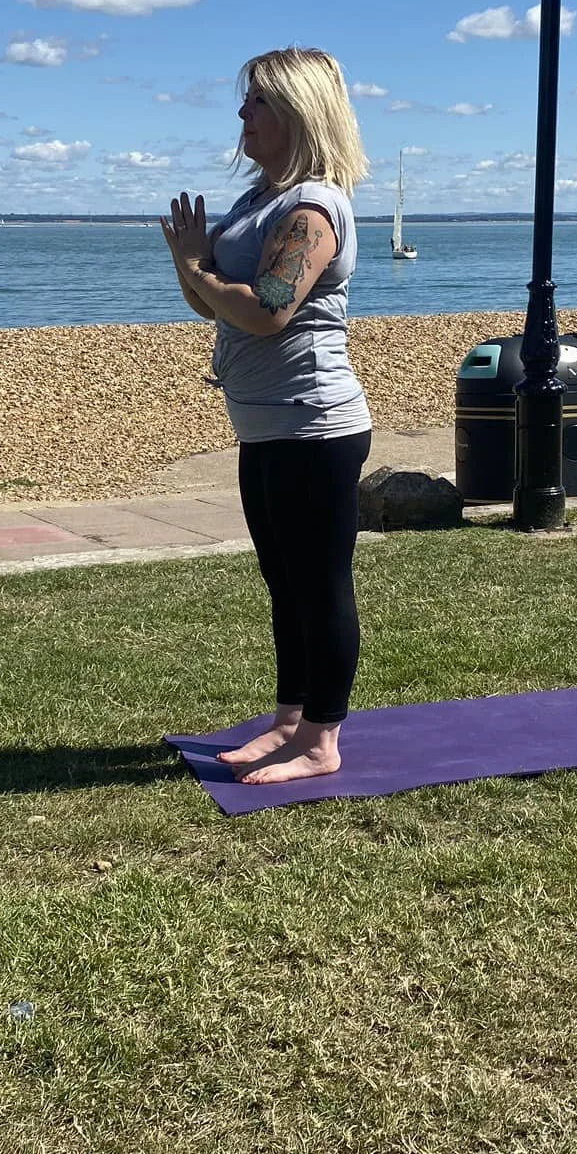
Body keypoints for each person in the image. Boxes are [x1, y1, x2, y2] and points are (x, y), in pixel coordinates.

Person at [160, 47, 373, 786]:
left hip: (313, 425)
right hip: (265, 424)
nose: (242, 114)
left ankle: (321, 741)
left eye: (256, 102)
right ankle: (289, 721)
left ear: (295, 113)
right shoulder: (259, 197)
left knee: (319, 583)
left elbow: (268, 312)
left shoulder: (312, 208)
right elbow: (214, 301)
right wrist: (193, 267)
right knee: (283, 581)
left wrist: (199, 271)